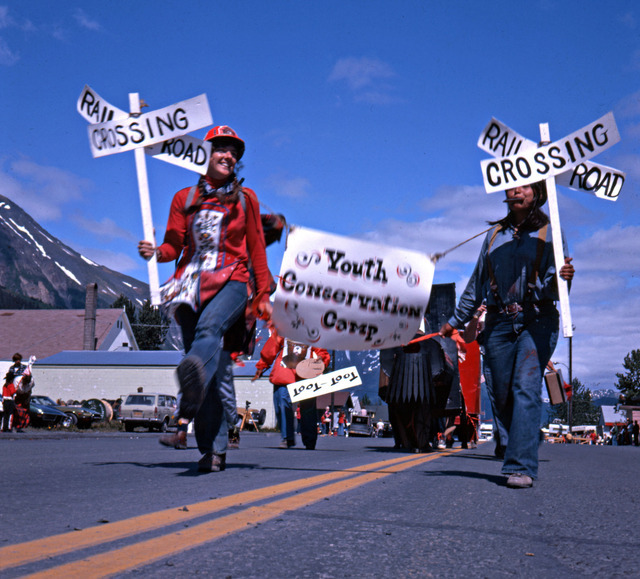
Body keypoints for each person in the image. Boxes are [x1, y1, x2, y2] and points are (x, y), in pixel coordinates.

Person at [138, 125, 273, 473]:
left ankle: (183, 418)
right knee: (207, 371)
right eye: (221, 148)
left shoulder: (246, 199)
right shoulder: (184, 198)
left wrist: (263, 293)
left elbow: (257, 247)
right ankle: (212, 451)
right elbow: (173, 245)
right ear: (205, 153)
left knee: (209, 334)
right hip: (190, 286)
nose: (228, 155)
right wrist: (155, 251)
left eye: (234, 151)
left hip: (233, 279)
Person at [440, 181, 575, 489]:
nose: (518, 192)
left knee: (525, 388)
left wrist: (564, 279)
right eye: (514, 186)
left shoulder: (550, 232)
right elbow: (476, 286)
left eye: (526, 187)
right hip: (499, 322)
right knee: (500, 394)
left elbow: (557, 290)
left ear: (538, 193)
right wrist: (454, 322)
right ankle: (527, 435)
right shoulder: (492, 237)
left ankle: (520, 466)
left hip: (538, 319)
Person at [253, 329, 331, 450]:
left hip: (306, 374)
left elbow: (322, 353)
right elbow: (271, 347)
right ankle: (288, 437)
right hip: (285, 373)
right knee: (282, 404)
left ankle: (309, 439)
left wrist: (320, 362)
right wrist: (262, 365)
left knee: (307, 408)